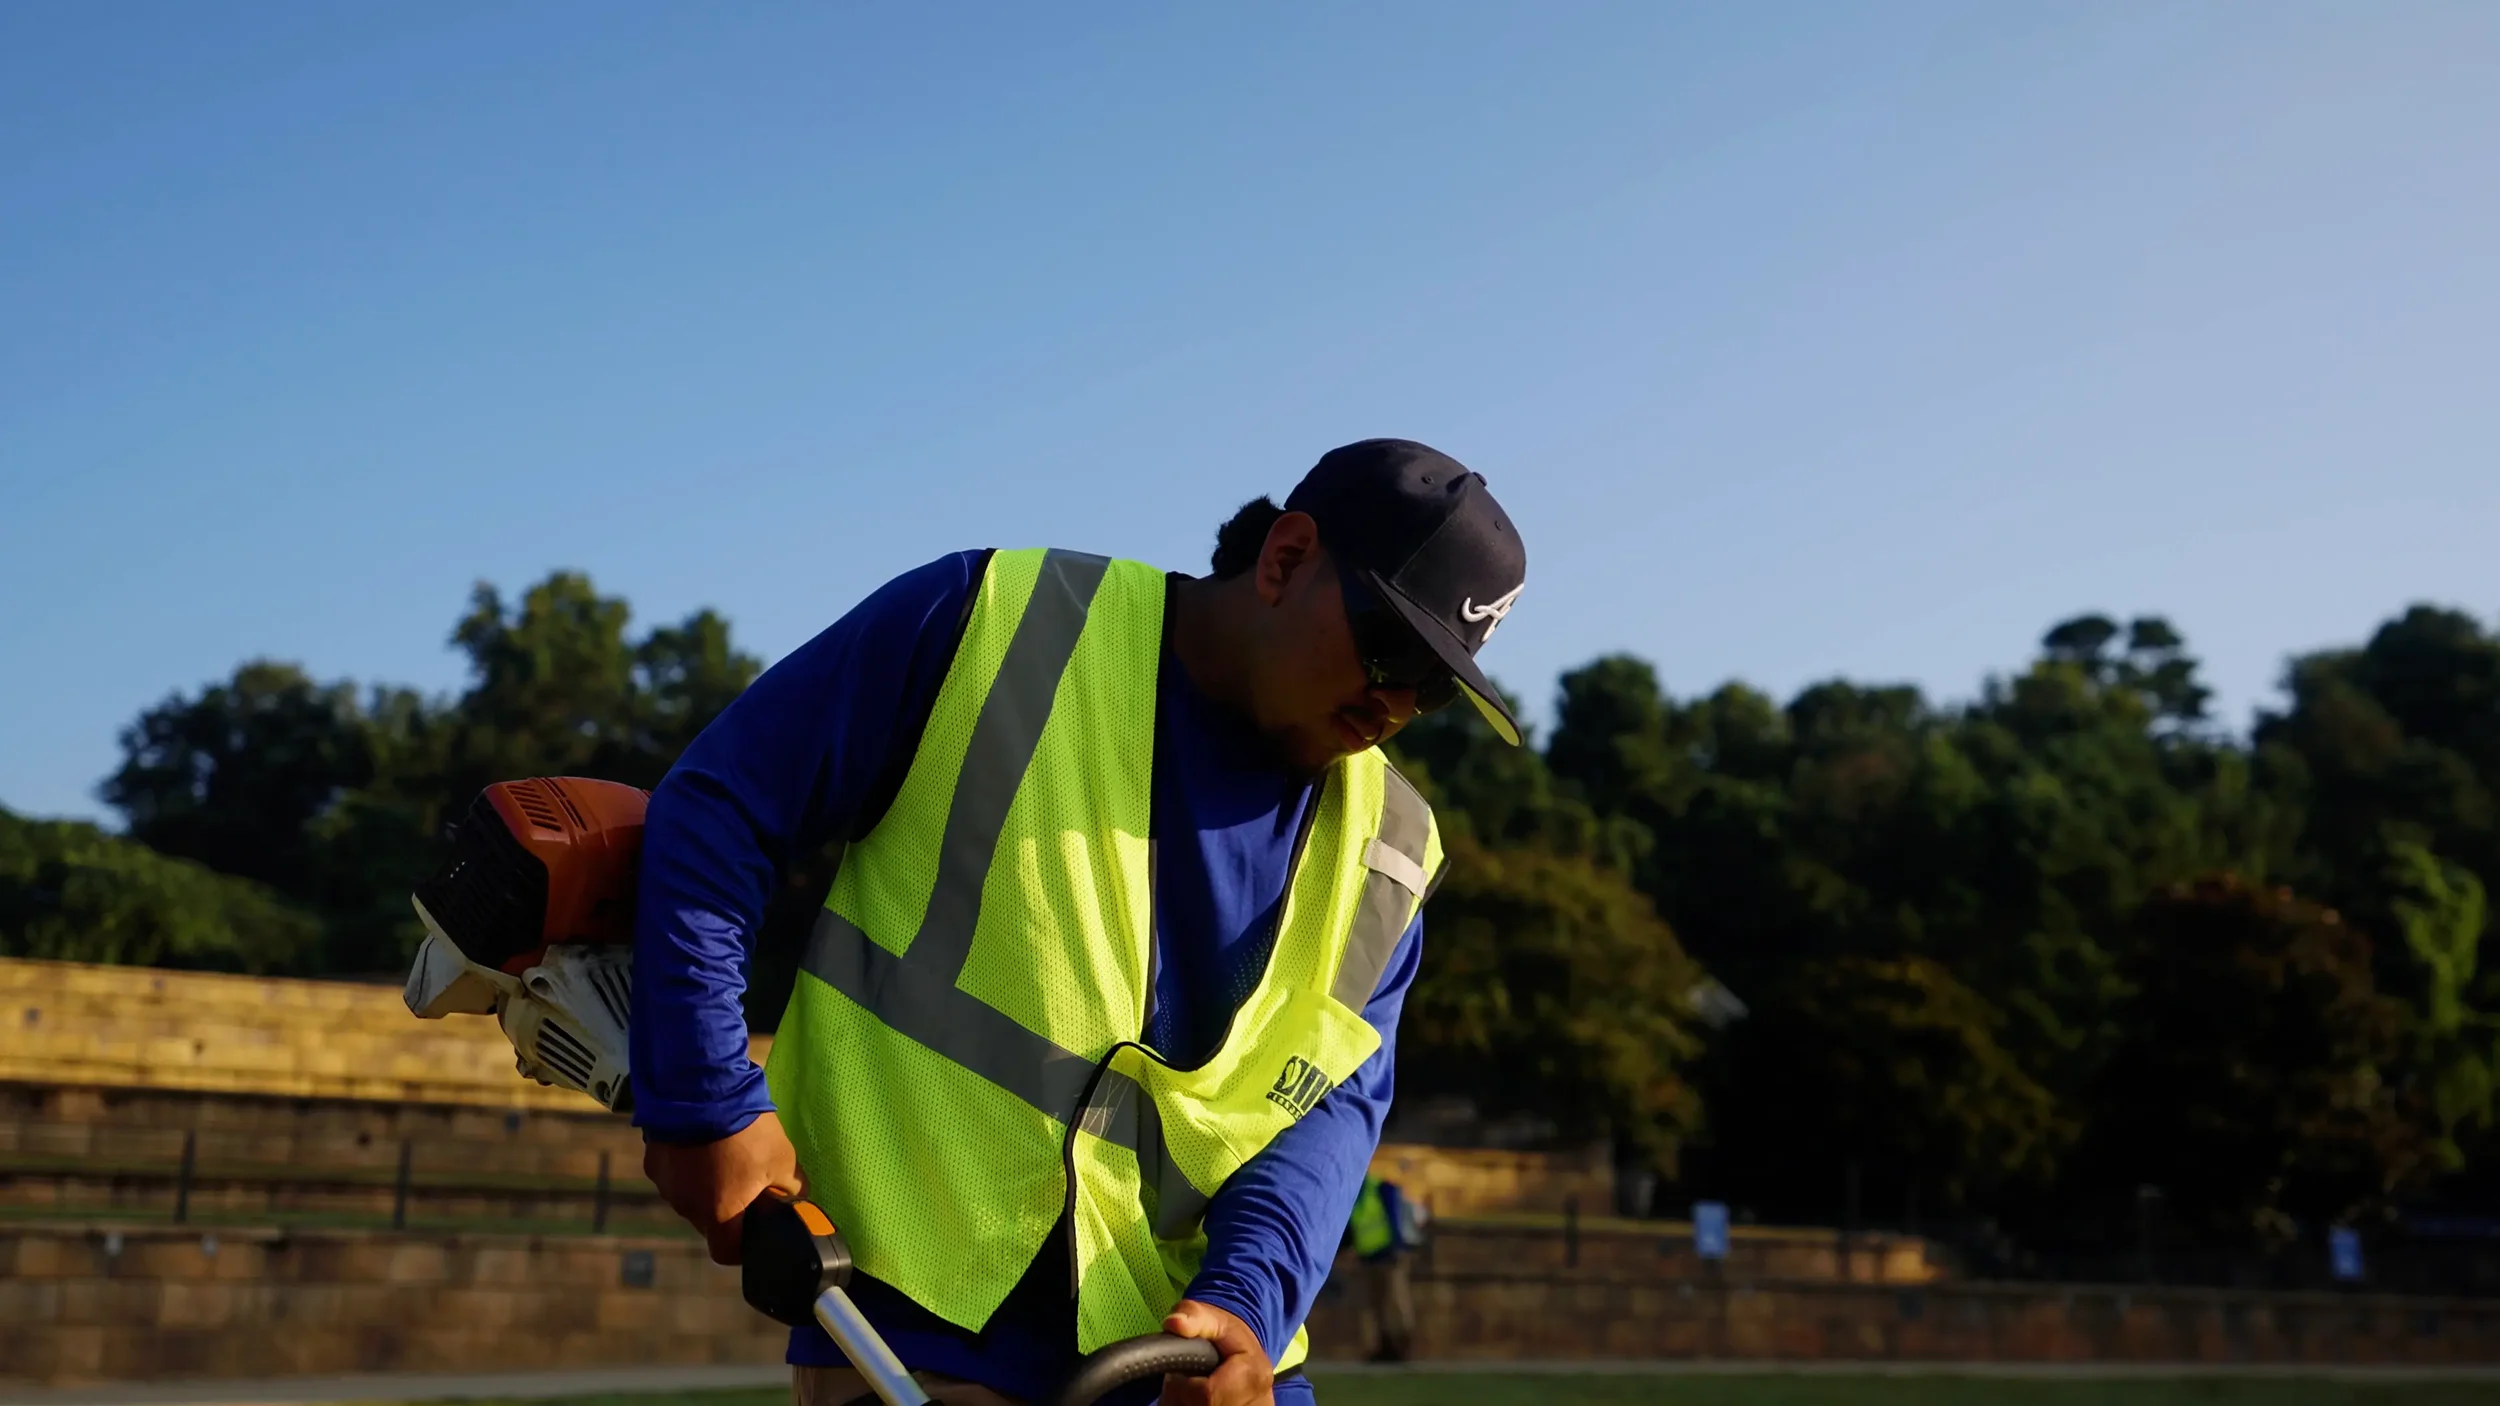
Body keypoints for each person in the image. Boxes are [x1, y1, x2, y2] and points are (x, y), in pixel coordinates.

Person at [626, 439, 1529, 1406]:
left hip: (1196, 1362)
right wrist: (705, 1098)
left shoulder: (1392, 849)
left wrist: (1246, 1308)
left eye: (1435, 687)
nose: (1394, 704)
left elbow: (1329, 1118)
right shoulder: (993, 623)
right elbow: (720, 808)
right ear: (1285, 559)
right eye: (1389, 648)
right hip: (929, 1322)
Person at [1343, 1174, 1423, 1363]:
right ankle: (1383, 1348)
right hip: (1367, 1258)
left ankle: (1402, 1347)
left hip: (1388, 1255)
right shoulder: (1353, 1196)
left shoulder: (1379, 1189)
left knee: (1395, 1302)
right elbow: (1351, 1229)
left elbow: (1394, 1218)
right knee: (1374, 1305)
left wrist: (1398, 1247)